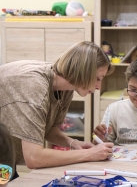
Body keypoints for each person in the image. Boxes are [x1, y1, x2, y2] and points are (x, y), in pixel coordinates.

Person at [0, 41, 115, 171]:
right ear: (84, 72)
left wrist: (73, 143)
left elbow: (48, 129)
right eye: (98, 78)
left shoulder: (65, 88)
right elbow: (34, 158)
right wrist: (88, 154)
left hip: (5, 156)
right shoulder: (34, 88)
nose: (99, 87)